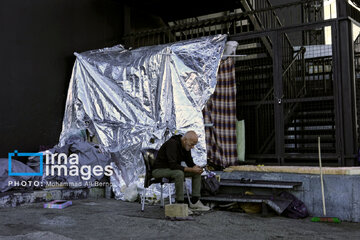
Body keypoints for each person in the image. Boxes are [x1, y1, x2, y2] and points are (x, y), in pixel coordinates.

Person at [152, 131, 210, 211]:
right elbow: (173, 165)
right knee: (179, 173)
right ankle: (180, 204)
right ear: (185, 140)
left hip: (172, 170)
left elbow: (190, 163)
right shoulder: (172, 144)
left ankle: (195, 202)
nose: (192, 147)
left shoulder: (186, 146)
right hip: (159, 170)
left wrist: (197, 168)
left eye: (194, 145)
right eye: (192, 144)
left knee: (196, 173)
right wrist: (191, 169)